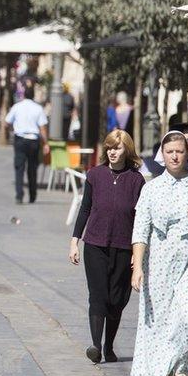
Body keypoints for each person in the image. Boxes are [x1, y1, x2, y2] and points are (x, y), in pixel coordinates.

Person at [129, 130, 188, 376]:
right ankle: (163, 374)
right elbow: (140, 230)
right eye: (170, 151)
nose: (175, 156)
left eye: (180, 151)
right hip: (158, 260)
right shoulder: (152, 188)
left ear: (187, 154)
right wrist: (137, 267)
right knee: (159, 319)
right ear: (163, 154)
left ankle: (182, 369)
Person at [69, 129, 144, 363]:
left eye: (117, 148)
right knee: (98, 295)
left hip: (123, 246)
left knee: (117, 299)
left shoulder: (136, 180)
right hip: (95, 244)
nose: (113, 152)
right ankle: (95, 346)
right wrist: (74, 242)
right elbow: (85, 209)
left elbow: (141, 217)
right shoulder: (95, 175)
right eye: (109, 148)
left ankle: (109, 346)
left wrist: (138, 251)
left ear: (127, 150)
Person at [5, 85, 50, 204]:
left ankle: (19, 195)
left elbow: (7, 122)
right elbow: (43, 128)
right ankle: (32, 195)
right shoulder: (38, 108)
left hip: (20, 139)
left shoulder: (17, 107)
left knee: (19, 167)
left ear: (24, 94)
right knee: (32, 168)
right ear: (33, 95)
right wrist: (45, 143)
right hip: (33, 141)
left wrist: (12, 129)